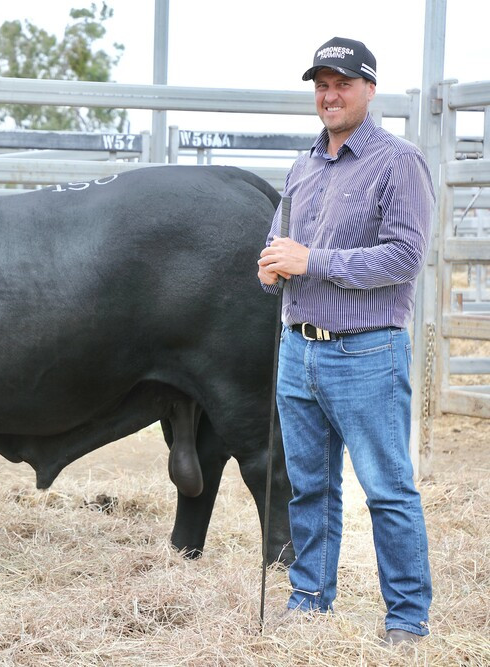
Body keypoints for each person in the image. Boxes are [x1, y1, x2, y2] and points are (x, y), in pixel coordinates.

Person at [256, 36, 434, 646]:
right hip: (298, 347)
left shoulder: (397, 161)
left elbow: (405, 257)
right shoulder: (303, 165)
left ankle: (407, 619)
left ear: (369, 88)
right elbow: (282, 243)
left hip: (366, 351)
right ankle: (309, 597)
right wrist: (271, 265)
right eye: (321, 84)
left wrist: (312, 261)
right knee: (309, 485)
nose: (330, 95)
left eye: (343, 83)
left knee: (387, 487)